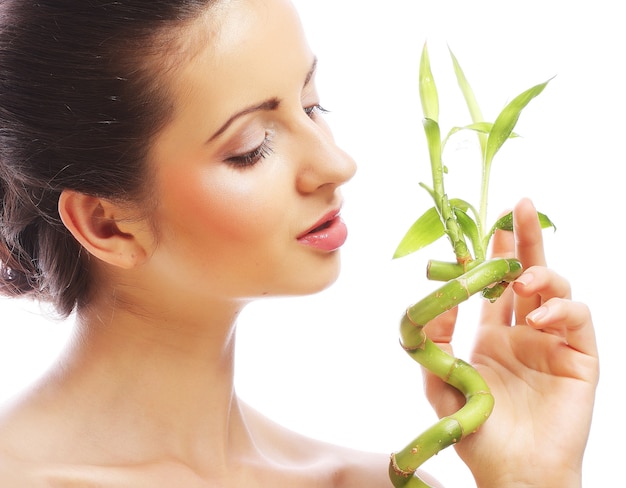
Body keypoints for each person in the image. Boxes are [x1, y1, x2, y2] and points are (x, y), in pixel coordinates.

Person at [0, 0, 598, 486]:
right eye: (252, 146)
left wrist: (532, 477)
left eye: (314, 105)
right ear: (108, 223)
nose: (337, 162)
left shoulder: (369, 482)